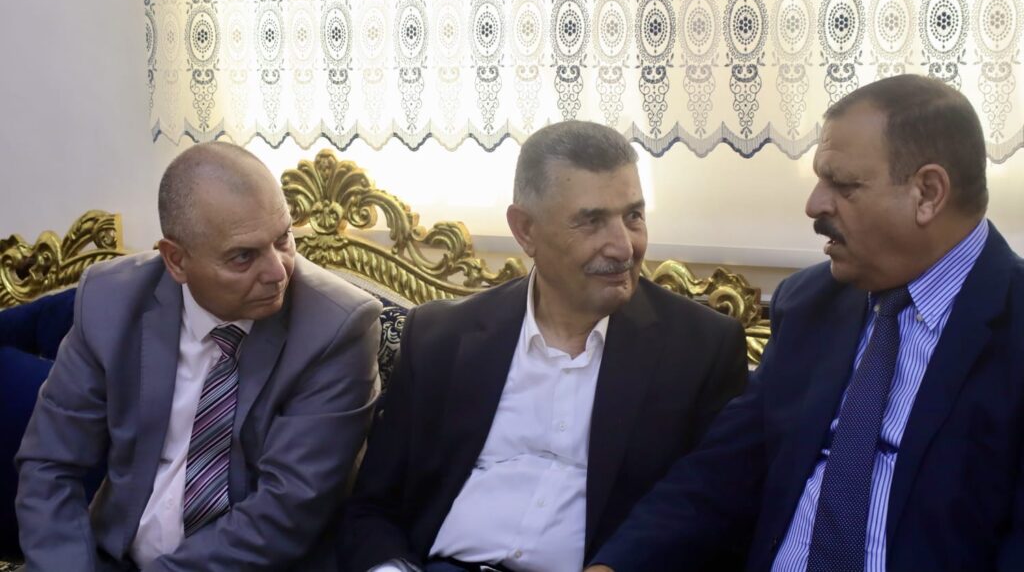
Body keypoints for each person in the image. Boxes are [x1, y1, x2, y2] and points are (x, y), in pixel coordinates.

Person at [586, 74, 1024, 572]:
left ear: (927, 193)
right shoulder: (811, 305)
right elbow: (720, 474)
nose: (814, 205)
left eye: (843, 185)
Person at [342, 121, 748, 572]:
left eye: (633, 216)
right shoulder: (441, 337)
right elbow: (372, 506)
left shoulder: (701, 349)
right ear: (525, 230)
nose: (623, 247)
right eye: (591, 221)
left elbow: (709, 511)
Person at [15, 142, 382, 572]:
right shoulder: (109, 300)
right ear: (175, 260)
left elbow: (286, 513)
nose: (278, 271)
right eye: (243, 256)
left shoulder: (336, 328)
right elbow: (49, 465)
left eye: (283, 238)